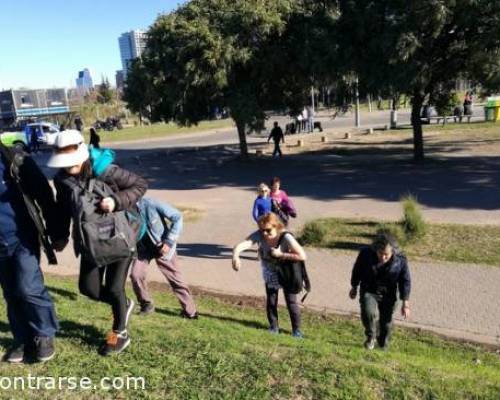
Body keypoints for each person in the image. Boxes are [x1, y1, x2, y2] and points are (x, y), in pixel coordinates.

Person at [48, 130, 148, 356]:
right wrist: (61, 235)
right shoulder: (61, 180)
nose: (68, 166)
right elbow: (64, 210)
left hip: (120, 237)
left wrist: (116, 201)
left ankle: (119, 333)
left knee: (114, 288)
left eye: (72, 161)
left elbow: (140, 185)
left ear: (82, 154)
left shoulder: (105, 170)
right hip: (90, 242)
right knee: (88, 288)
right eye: (64, 162)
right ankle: (123, 304)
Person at [0, 142, 64, 363]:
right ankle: (23, 338)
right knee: (11, 293)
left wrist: (57, 233)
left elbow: (44, 195)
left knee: (28, 287)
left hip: (21, 238)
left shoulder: (15, 160)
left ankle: (44, 334)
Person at [232, 213, 306, 337]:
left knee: (291, 302)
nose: (264, 233)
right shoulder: (261, 234)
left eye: (268, 230)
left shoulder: (286, 237)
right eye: (262, 230)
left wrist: (281, 254)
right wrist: (235, 255)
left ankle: (296, 331)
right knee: (271, 300)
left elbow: (302, 256)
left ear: (276, 226)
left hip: (287, 272)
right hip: (270, 272)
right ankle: (274, 327)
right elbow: (245, 244)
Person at [130, 197, 198, 318]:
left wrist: (169, 242)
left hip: (162, 246)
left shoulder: (150, 203)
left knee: (175, 279)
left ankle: (190, 312)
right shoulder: (121, 209)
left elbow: (177, 217)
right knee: (136, 275)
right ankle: (146, 304)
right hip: (142, 249)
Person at [349, 233, 411, 350]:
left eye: (386, 255)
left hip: (389, 292)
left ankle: (382, 344)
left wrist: (405, 303)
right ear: (375, 250)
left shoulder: (401, 260)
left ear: (392, 251)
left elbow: (405, 281)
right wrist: (354, 286)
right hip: (369, 289)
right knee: (368, 313)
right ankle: (371, 336)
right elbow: (357, 270)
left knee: (386, 322)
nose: (383, 257)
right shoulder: (365, 254)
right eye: (380, 254)